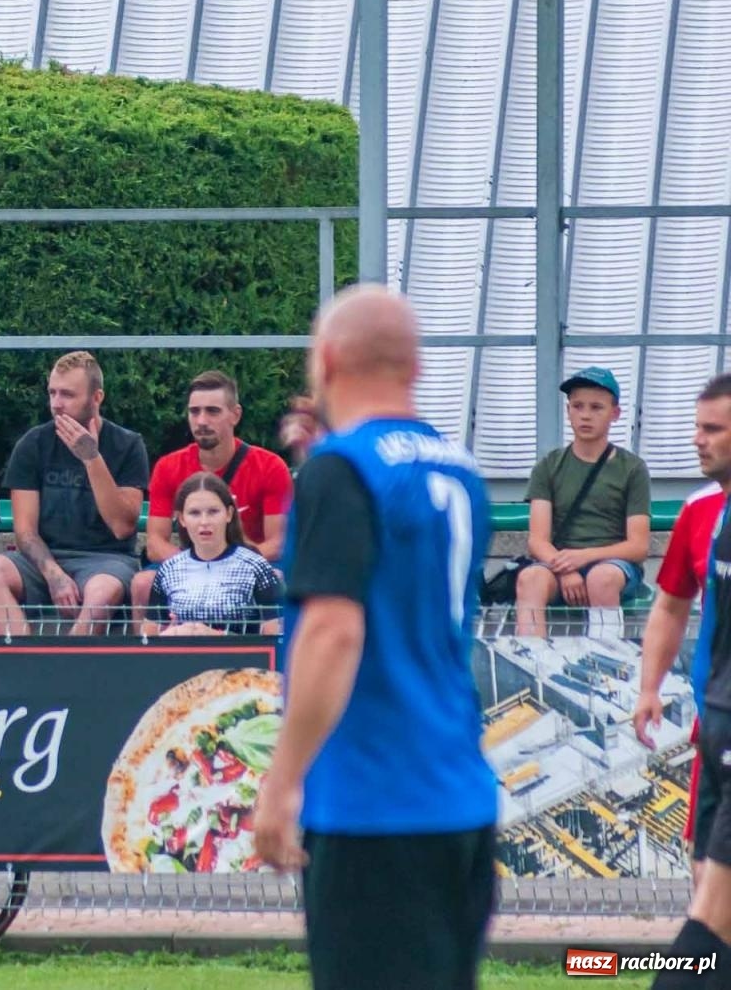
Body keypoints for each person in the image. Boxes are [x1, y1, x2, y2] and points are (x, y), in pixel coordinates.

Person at [253, 287, 496, 990]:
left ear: (325, 360)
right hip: (461, 798)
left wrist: (281, 780)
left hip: (373, 802)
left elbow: (333, 631)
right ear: (415, 366)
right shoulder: (459, 468)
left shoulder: (343, 467)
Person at [634, 374, 731, 984]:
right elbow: (670, 603)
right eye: (697, 426)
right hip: (713, 724)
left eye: (712, 429)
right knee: (706, 887)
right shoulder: (701, 511)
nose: (697, 441)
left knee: (711, 911)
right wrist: (649, 686)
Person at [0, 351, 148, 637]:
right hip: (44, 559)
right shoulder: (33, 443)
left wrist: (91, 458)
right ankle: (24, 660)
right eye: (52, 393)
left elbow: (122, 527)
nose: (56, 404)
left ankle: (65, 668)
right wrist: (55, 576)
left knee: (101, 594)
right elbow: (26, 532)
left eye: (67, 394)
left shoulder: (127, 445)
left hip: (106, 560)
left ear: (97, 398)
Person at [133, 370, 293, 614]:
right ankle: (145, 652)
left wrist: (231, 564)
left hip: (249, 564)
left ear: (235, 415)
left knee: (276, 578)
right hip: (188, 562)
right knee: (142, 584)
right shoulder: (168, 467)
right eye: (194, 411)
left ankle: (270, 652)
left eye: (213, 411)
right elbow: (155, 543)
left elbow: (277, 543)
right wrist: (193, 566)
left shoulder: (270, 467)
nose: (202, 421)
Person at [515, 366, 651, 638]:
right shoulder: (548, 466)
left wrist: (583, 558)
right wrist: (565, 569)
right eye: (577, 406)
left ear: (615, 414)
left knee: (600, 579)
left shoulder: (632, 468)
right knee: (530, 579)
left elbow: (638, 546)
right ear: (568, 411)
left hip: (613, 564)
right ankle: (532, 662)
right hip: (560, 563)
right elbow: (537, 541)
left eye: (596, 407)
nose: (585, 415)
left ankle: (609, 663)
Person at [143, 472, 281, 636]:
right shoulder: (168, 569)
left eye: (213, 512)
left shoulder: (256, 567)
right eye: (194, 513)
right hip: (179, 658)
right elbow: (149, 635)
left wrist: (217, 636)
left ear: (229, 514)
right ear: (181, 519)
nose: (204, 522)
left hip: (239, 661)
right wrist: (169, 635)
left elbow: (276, 636)